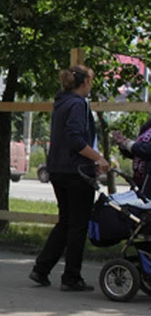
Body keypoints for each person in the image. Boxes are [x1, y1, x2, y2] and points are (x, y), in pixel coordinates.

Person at [30, 65, 110, 291]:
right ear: (84, 82)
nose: (91, 86)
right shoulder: (78, 105)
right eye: (91, 82)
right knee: (77, 225)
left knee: (65, 222)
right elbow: (75, 139)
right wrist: (98, 159)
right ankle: (71, 276)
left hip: (58, 169)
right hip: (77, 171)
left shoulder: (61, 103)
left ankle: (42, 268)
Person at [112, 119, 151, 197]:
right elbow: (138, 153)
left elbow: (148, 151)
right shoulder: (147, 126)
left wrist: (128, 144)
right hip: (139, 187)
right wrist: (122, 143)